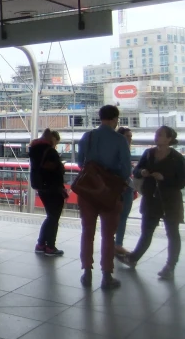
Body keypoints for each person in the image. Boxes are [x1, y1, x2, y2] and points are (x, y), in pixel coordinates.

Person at [77, 105, 131, 289]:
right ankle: (107, 275)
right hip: (109, 193)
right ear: (115, 118)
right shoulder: (120, 140)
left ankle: (87, 272)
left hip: (88, 191)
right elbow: (125, 170)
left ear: (100, 118)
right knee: (108, 235)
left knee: (87, 231)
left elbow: (79, 162)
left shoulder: (88, 136)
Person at [121, 126, 184, 280]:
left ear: (169, 139)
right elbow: (136, 171)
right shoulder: (148, 153)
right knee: (147, 232)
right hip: (151, 200)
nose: (156, 137)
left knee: (172, 234)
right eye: (156, 134)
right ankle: (133, 258)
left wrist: (164, 179)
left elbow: (182, 181)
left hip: (170, 201)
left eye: (160, 135)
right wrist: (141, 172)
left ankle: (170, 266)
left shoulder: (177, 158)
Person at [30, 129, 66, 256]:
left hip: (41, 187)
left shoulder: (35, 150)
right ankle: (50, 246)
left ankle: (40, 244)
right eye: (55, 141)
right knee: (53, 217)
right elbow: (56, 169)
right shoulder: (50, 151)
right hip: (53, 187)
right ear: (52, 139)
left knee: (51, 216)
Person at [115, 127, 135, 255]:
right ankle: (117, 245)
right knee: (121, 217)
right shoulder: (122, 151)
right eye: (127, 136)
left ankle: (115, 243)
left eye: (130, 137)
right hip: (123, 188)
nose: (129, 139)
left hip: (123, 187)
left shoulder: (118, 150)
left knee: (120, 217)